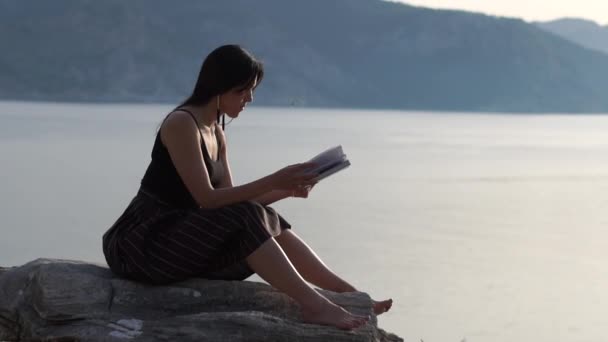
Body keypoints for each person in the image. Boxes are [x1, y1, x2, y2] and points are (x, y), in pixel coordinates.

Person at [102, 44, 392, 330]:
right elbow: (208, 198)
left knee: (259, 214)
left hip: (183, 238)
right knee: (249, 215)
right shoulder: (182, 124)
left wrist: (289, 188)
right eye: (242, 90)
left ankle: (349, 295)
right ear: (220, 86)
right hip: (144, 242)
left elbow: (230, 200)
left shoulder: (217, 130)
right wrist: (274, 179)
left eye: (251, 90)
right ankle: (315, 305)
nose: (249, 98)